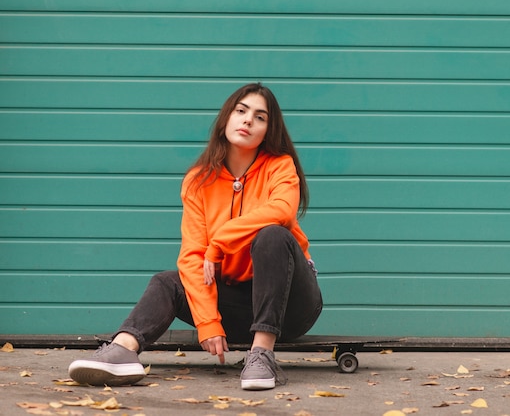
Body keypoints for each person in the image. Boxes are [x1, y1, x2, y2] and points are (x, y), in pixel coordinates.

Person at [68, 83, 323, 391]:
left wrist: (220, 242)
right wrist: (208, 320)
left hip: (291, 306)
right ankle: (122, 350)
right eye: (240, 111)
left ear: (268, 131)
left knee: (272, 236)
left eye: (260, 117)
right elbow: (192, 257)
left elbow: (282, 211)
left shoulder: (280, 167)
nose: (247, 121)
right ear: (226, 118)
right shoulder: (199, 181)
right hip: (238, 307)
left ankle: (262, 354)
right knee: (167, 281)